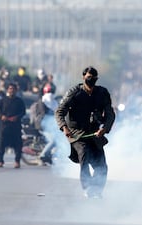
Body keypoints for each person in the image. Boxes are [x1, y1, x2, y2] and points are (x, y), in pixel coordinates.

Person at [55, 66, 115, 198]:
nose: (91, 80)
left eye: (94, 78)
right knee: (84, 155)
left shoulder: (102, 93)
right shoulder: (74, 92)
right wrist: (64, 127)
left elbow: (110, 113)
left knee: (102, 165)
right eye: (88, 78)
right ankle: (87, 187)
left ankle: (97, 190)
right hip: (77, 133)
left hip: (95, 133)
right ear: (83, 78)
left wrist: (104, 129)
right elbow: (60, 112)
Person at [0, 83, 26, 168]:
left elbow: (23, 112)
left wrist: (17, 117)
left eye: (13, 89)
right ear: (7, 90)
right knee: (1, 144)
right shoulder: (3, 100)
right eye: (10, 89)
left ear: (16, 90)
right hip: (4, 126)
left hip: (15, 126)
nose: (11, 90)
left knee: (17, 144)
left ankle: (17, 161)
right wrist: (1, 116)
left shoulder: (19, 101)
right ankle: (0, 161)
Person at [31, 82, 59, 165]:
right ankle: (43, 155)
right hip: (42, 126)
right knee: (53, 141)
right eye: (49, 92)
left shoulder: (53, 102)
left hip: (51, 126)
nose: (50, 94)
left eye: (52, 92)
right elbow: (44, 115)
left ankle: (48, 156)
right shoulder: (43, 101)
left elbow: (57, 112)